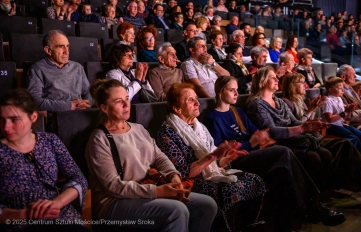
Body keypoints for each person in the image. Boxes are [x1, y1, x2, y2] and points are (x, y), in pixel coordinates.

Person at [204, 76, 347, 231]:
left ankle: (288, 222)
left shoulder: (237, 111)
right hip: (238, 159)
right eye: (232, 90)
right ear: (220, 91)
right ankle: (313, 206)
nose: (236, 94)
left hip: (253, 151)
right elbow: (221, 151)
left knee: (281, 173)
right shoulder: (212, 117)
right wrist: (251, 143)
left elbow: (257, 132)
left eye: (237, 90)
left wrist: (259, 139)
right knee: (283, 152)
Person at [85, 79, 217, 232]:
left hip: (145, 189)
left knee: (207, 205)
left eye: (127, 99)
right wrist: (158, 192)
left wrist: (173, 176)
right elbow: (113, 186)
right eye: (118, 101)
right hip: (114, 202)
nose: (126, 104)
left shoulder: (138, 129)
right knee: (176, 211)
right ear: (104, 108)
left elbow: (159, 157)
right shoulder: (99, 140)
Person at [156, 83, 266, 231]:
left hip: (211, 175)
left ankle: (244, 226)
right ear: (177, 108)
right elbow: (183, 174)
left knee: (254, 179)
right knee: (230, 190)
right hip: (190, 182)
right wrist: (213, 156)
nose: (197, 103)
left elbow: (216, 164)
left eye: (196, 98)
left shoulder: (199, 127)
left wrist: (228, 158)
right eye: (190, 100)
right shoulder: (167, 134)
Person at [0, 89, 89, 232]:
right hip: (19, 223)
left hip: (60, 216)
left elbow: (79, 179)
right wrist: (25, 214)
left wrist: (57, 203)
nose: (6, 127)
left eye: (14, 119)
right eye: (1, 119)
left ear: (33, 116)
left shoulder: (50, 141)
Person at [246, 66, 333, 190]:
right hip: (279, 143)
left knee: (326, 154)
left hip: (293, 139)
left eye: (276, 77)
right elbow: (272, 131)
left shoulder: (280, 101)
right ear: (262, 81)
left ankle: (320, 194)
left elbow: (295, 122)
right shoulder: (256, 104)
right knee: (313, 158)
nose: (277, 79)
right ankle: (307, 196)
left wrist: (311, 126)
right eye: (272, 77)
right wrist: (302, 129)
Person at [27, 30, 92, 113]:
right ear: (48, 50)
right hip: (57, 117)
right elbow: (34, 101)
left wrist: (87, 103)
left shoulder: (77, 67)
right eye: (60, 47)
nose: (66, 52)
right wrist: (68, 105)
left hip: (81, 113)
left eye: (67, 46)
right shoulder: (37, 69)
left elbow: (89, 92)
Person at [321, 76, 361, 163]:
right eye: (339, 88)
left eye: (342, 87)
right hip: (331, 126)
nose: (342, 90)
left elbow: (345, 115)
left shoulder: (339, 99)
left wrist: (349, 110)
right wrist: (344, 113)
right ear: (330, 90)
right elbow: (329, 119)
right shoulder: (327, 101)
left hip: (342, 124)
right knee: (354, 138)